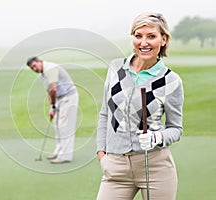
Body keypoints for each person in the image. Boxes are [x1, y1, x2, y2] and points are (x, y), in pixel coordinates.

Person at [96, 12, 184, 200]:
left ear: (163, 39)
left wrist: (157, 137)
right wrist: (102, 154)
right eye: (138, 36)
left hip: (155, 167)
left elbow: (176, 128)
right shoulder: (115, 68)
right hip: (116, 168)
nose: (143, 42)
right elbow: (105, 114)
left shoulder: (171, 81)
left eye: (151, 36)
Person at [27, 56, 79, 164]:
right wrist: (52, 108)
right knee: (57, 125)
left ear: (39, 61)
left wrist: (53, 105)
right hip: (59, 98)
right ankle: (58, 152)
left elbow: (53, 89)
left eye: (34, 66)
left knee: (64, 126)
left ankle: (65, 156)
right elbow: (49, 92)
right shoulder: (42, 74)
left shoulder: (50, 69)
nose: (34, 69)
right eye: (32, 68)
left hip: (69, 97)